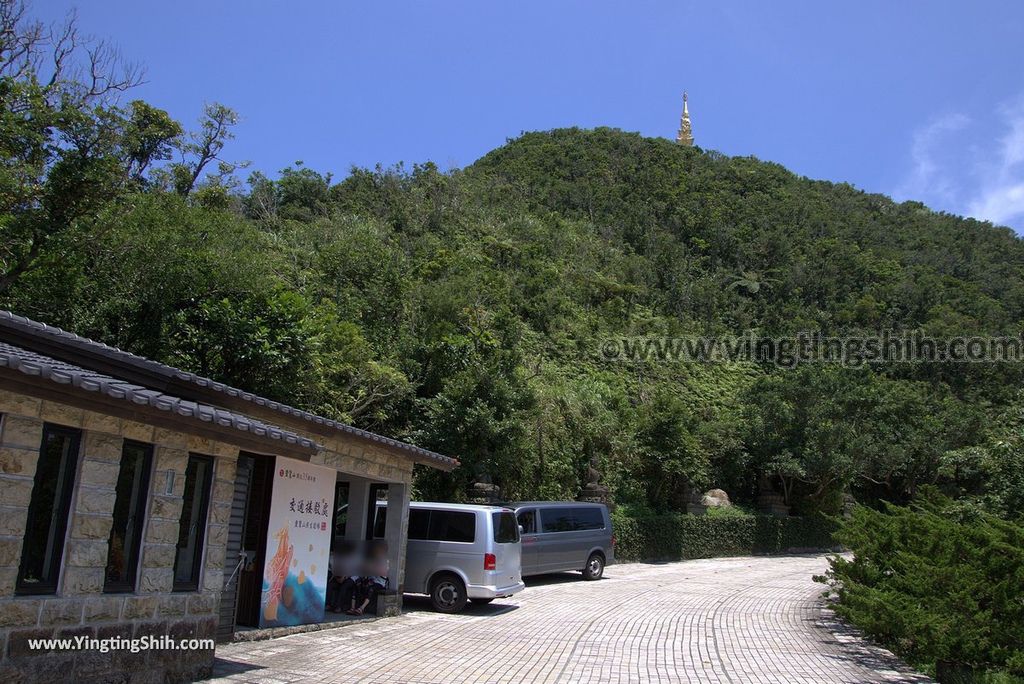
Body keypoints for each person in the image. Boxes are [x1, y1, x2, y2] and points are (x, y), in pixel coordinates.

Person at [347, 541, 389, 616]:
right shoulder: (371, 560)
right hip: (370, 580)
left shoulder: (384, 561)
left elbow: (383, 573)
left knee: (371, 589)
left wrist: (373, 569)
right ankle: (352, 607)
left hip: (379, 583)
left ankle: (361, 608)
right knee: (357, 583)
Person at [326, 541, 360, 613]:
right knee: (330, 584)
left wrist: (345, 577)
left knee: (344, 586)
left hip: (352, 578)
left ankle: (338, 606)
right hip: (340, 577)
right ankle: (327, 604)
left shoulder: (356, 558)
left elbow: (354, 571)